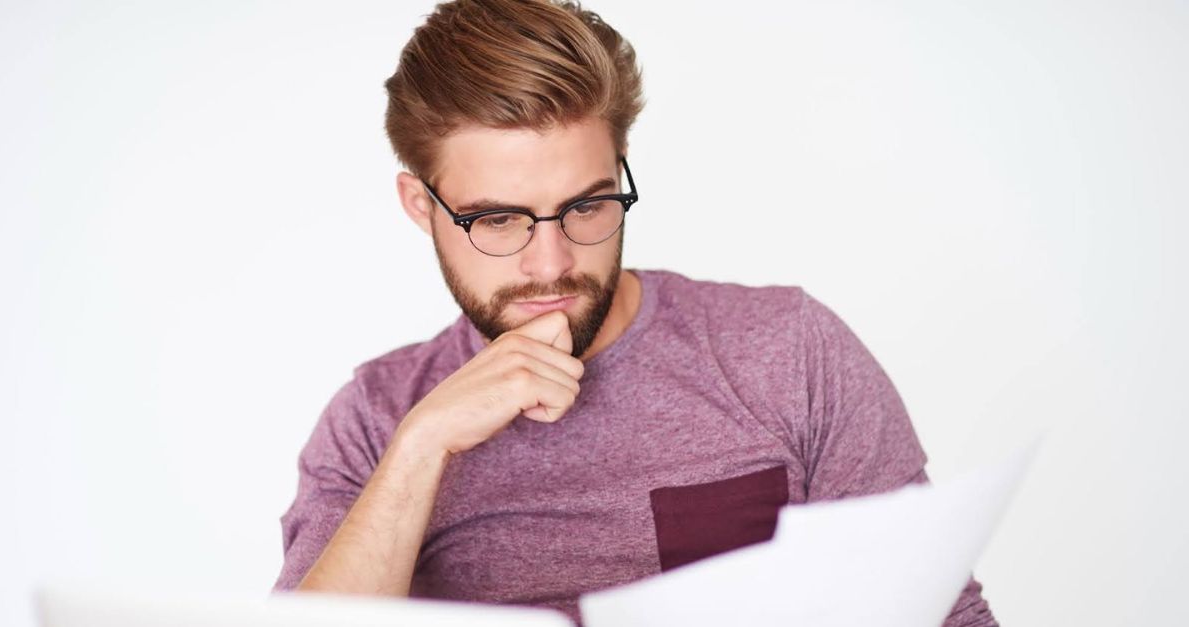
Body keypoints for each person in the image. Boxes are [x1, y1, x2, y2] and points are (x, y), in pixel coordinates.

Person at [271, 1, 997, 625]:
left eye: (587, 205)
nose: (552, 263)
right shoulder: (376, 421)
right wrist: (422, 446)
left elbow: (941, 613)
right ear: (421, 208)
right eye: (497, 220)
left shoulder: (789, 350)